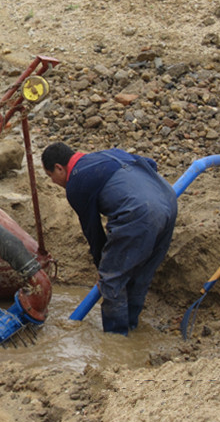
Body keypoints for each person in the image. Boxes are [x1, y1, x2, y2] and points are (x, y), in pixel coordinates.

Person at [41, 142, 177, 335]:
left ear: (59, 168)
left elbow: (93, 231)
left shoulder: (76, 183)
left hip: (141, 212)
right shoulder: (110, 154)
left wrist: (103, 269)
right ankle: (131, 326)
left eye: (50, 176)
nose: (53, 181)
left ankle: (116, 340)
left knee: (113, 280)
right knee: (141, 273)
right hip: (168, 199)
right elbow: (150, 165)